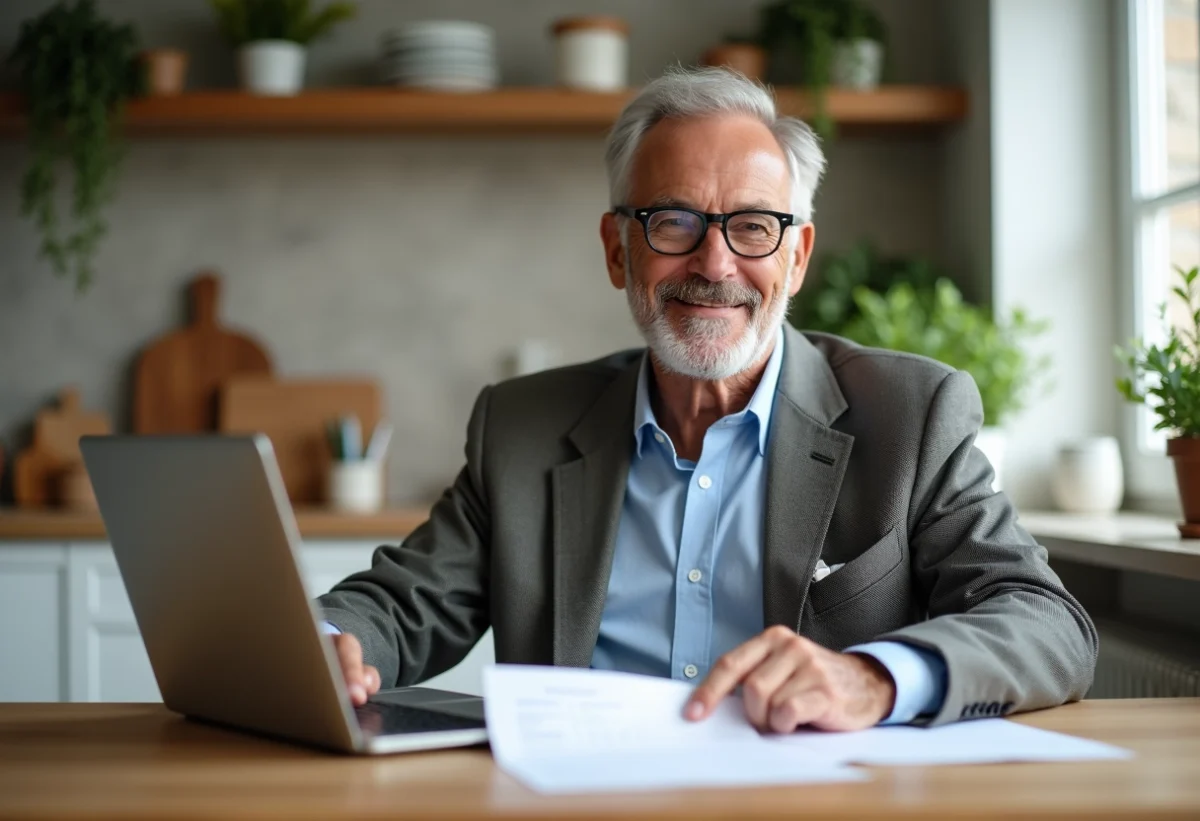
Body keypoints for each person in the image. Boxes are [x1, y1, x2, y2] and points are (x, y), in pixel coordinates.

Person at [319, 66, 1096, 732]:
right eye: (674, 222)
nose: (715, 262)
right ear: (617, 250)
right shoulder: (523, 427)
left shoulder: (910, 415)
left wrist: (876, 678)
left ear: (796, 257)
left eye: (753, 226)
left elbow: (1046, 621)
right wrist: (330, 640)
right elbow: (398, 608)